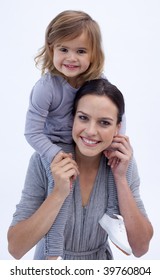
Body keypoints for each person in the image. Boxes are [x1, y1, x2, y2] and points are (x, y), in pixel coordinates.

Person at [8, 79, 153, 260]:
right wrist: (58, 193)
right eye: (83, 118)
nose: (91, 131)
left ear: (118, 128)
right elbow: (15, 248)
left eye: (104, 123)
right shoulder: (43, 161)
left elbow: (140, 248)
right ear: (72, 118)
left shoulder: (123, 163)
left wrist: (121, 179)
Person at [24, 10, 127, 259]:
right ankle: (53, 252)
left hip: (87, 142)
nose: (72, 58)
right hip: (57, 146)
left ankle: (113, 217)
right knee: (62, 191)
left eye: (81, 51)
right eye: (64, 50)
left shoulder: (98, 80)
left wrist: (115, 142)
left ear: (94, 54)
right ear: (51, 50)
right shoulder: (46, 88)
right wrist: (57, 155)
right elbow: (32, 132)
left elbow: (117, 113)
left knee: (113, 166)